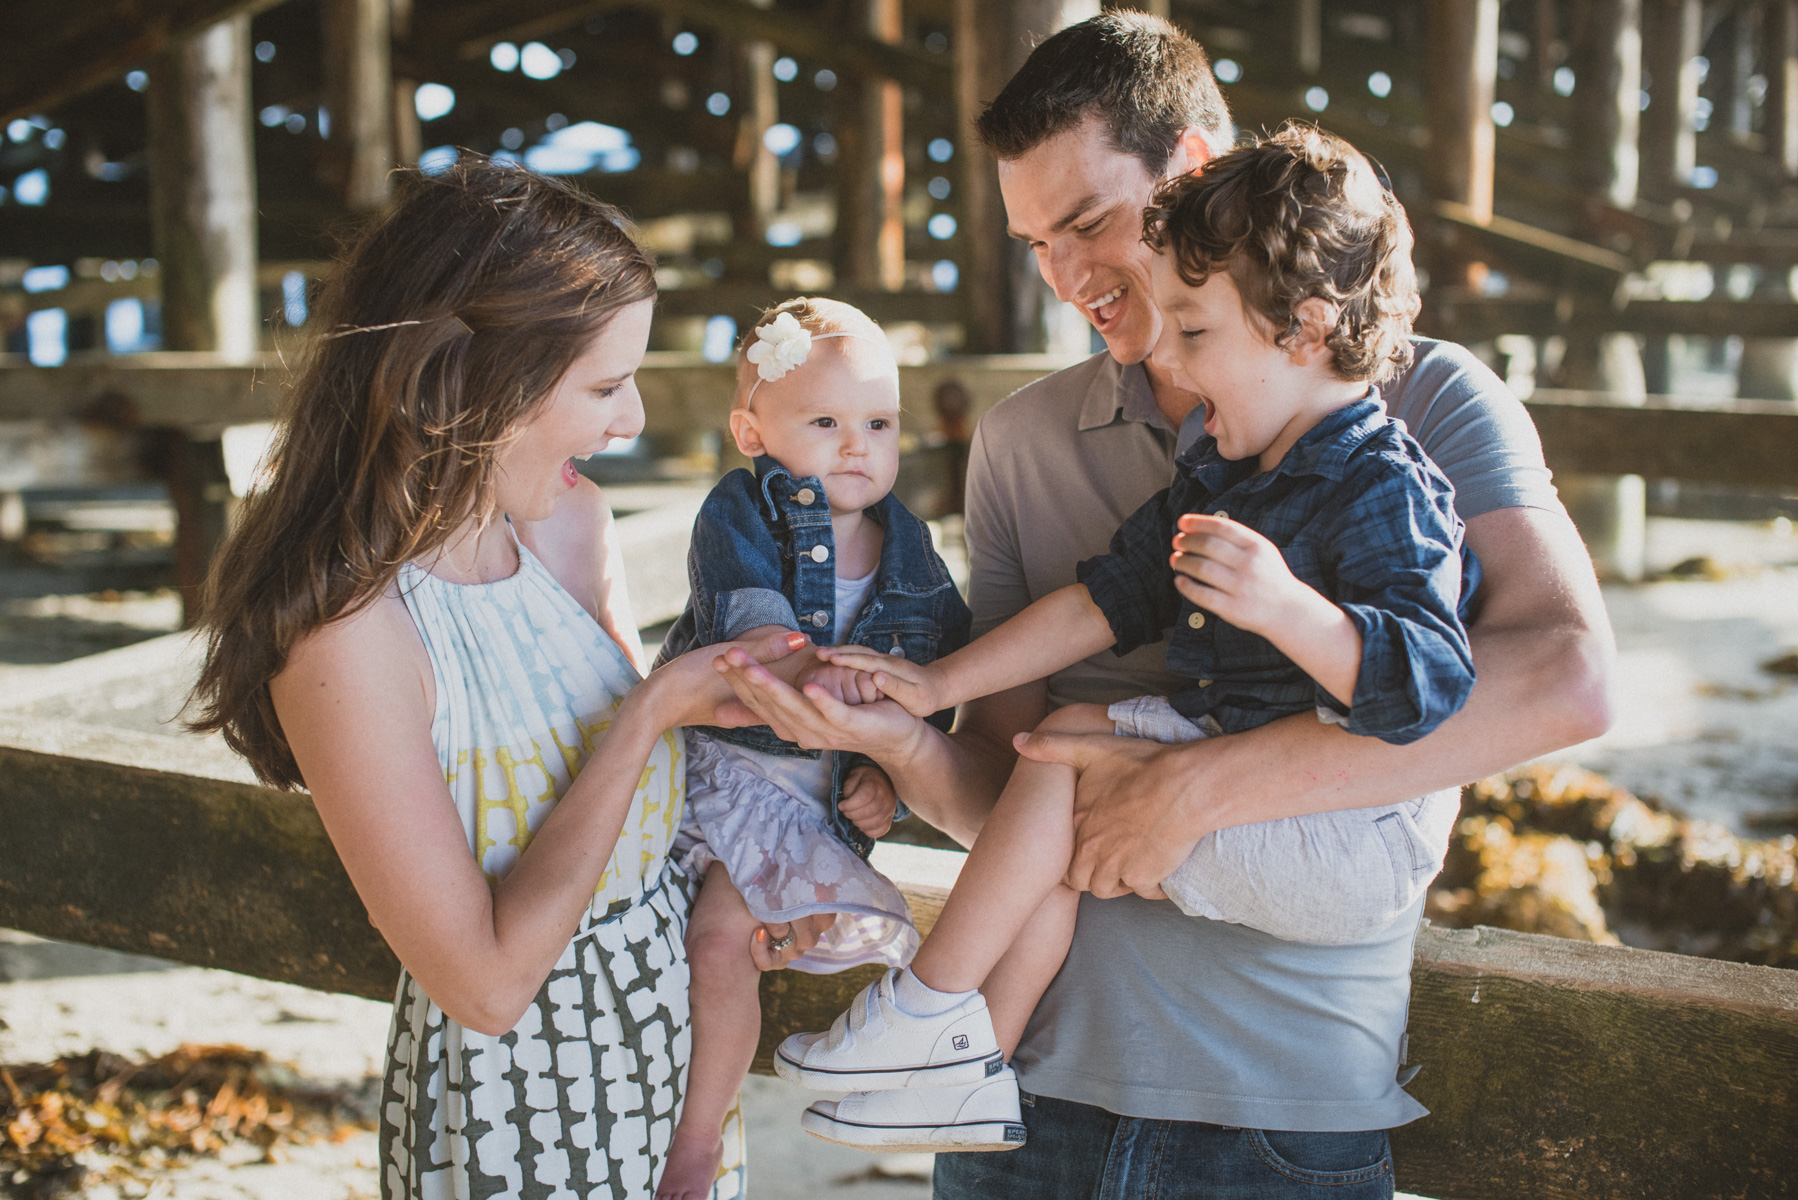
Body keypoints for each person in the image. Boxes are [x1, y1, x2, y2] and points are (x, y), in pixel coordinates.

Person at [710, 13, 1613, 1198]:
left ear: (1193, 176)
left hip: (1279, 1101)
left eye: (1088, 221)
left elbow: (1566, 679)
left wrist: (1193, 791)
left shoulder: (1417, 400)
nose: (1069, 276)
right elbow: (1004, 786)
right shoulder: (1023, 443)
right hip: (1018, 1093)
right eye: (1035, 242)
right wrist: (902, 740)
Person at [779, 126, 1482, 1149]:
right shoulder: (1229, 468)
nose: (1168, 354)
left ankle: (927, 1007)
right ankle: (965, 1060)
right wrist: (931, 690)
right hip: (1233, 752)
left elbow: (1427, 689)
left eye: (1196, 334)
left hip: (1354, 839)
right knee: (1063, 738)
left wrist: (1288, 608)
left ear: (1303, 328)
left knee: (1068, 770)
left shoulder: (1384, 481)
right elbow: (1101, 601)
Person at [186, 161, 805, 1200]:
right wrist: (650, 710)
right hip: (513, 1116)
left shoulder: (568, 529)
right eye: (605, 387)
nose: (632, 423)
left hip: (671, 1070)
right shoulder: (349, 638)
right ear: (474, 386)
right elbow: (483, 983)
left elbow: (650, 825)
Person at [650, 297, 972, 1197]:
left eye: (877, 422)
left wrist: (889, 783)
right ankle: (665, 1128)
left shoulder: (917, 559)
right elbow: (759, 630)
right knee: (677, 936)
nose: (856, 445)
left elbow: (938, 688)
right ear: (752, 431)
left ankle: (698, 1140)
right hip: (715, 763)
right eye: (824, 422)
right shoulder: (739, 512)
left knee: (723, 944)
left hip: (809, 804)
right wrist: (810, 680)